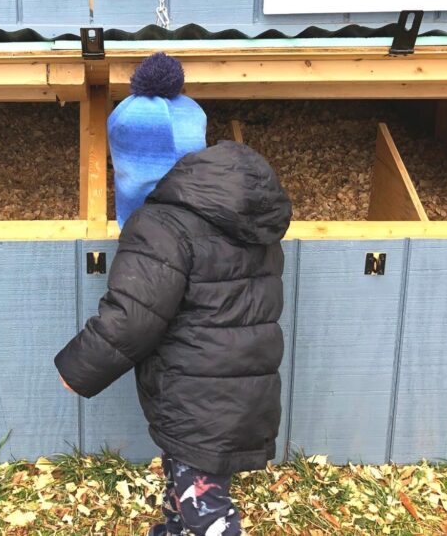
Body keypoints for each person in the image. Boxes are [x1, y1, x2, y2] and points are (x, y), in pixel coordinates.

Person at [54, 52, 293, 536]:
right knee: (185, 486)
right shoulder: (240, 215)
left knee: (205, 509)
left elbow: (132, 316)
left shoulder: (159, 226)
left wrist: (78, 370)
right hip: (240, 391)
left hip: (194, 396)